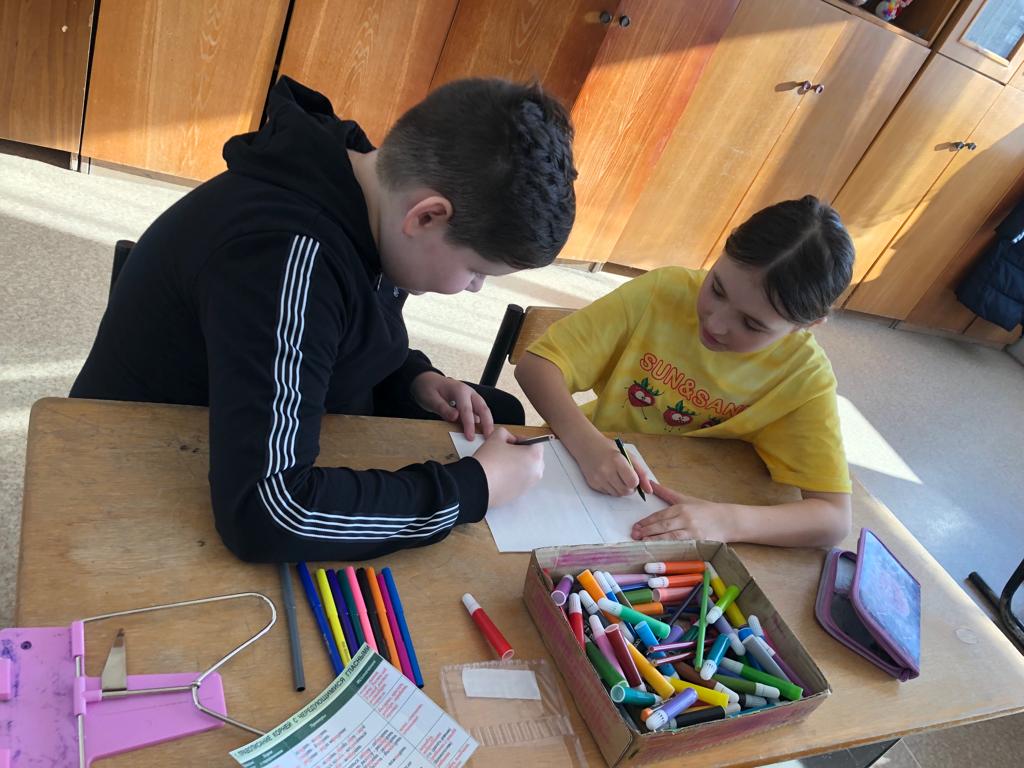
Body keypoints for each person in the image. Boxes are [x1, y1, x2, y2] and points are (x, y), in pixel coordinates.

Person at [70, 76, 577, 561]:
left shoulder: (368, 187)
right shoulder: (283, 258)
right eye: (476, 270)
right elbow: (268, 512)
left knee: (501, 408)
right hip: (131, 472)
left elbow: (337, 327)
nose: (474, 288)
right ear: (426, 216)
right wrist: (473, 489)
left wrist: (409, 377)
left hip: (244, 418)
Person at [515, 196, 854, 548]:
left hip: (697, 501)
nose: (716, 323)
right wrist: (587, 444)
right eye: (717, 289)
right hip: (590, 465)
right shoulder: (663, 292)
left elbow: (832, 520)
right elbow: (537, 366)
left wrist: (728, 522)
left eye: (752, 324)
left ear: (807, 325)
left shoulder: (803, 377)